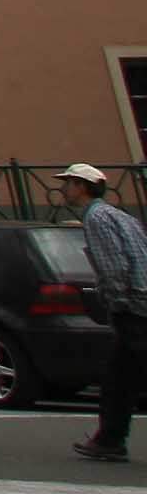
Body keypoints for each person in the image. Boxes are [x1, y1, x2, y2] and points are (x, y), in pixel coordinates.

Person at [65, 164, 147, 463]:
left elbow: (114, 265)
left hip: (134, 307)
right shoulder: (119, 214)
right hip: (141, 301)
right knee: (121, 376)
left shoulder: (96, 219)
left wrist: (117, 302)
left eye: (69, 183)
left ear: (81, 187)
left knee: (122, 377)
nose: (65, 189)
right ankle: (110, 439)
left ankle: (111, 440)